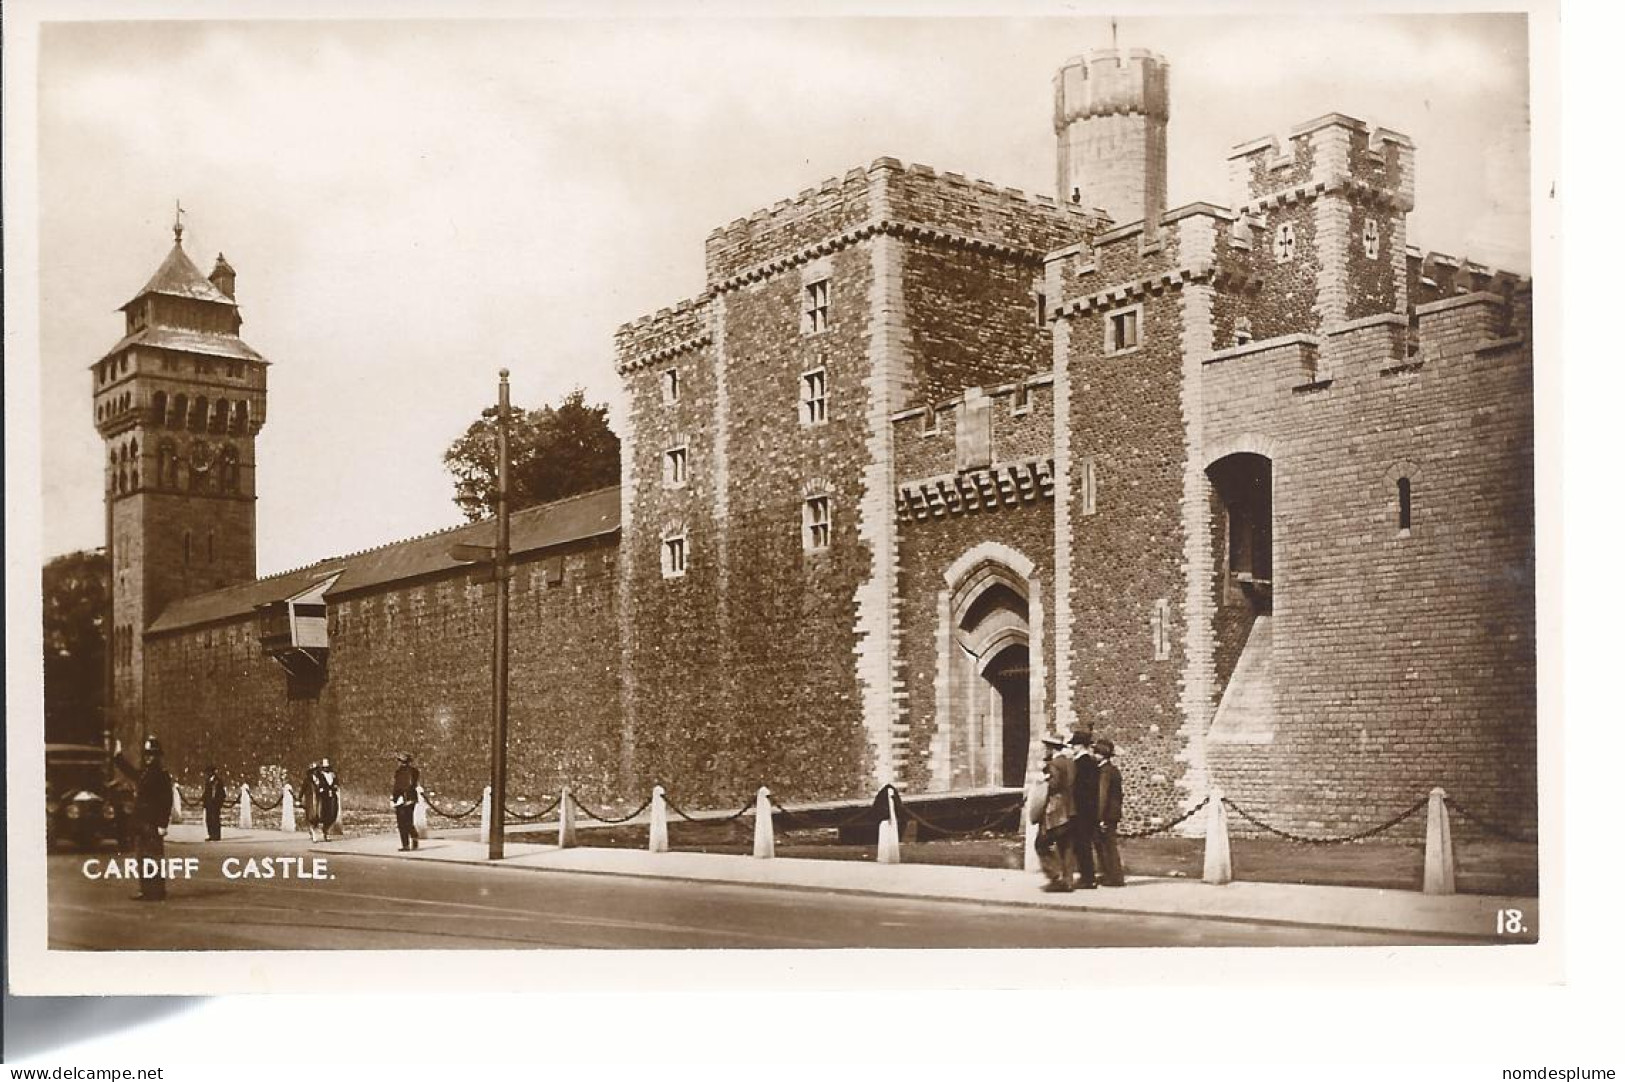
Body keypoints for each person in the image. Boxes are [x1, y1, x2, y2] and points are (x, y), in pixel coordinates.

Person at [131, 736, 174, 901]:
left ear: (158, 756)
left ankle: (157, 890)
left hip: (153, 823)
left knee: (154, 857)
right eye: (147, 754)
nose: (149, 757)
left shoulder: (162, 775)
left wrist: (163, 823)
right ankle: (146, 889)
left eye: (152, 754)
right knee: (142, 857)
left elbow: (166, 801)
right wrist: (117, 757)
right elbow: (132, 773)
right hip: (142, 822)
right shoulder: (145, 773)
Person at [1034, 736, 1077, 892]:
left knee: (1041, 844)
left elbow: (1053, 786)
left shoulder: (1053, 765)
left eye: (1046, 748)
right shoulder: (1070, 763)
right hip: (1071, 809)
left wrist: (1043, 779)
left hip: (1056, 811)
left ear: (1050, 749)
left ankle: (1055, 876)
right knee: (1066, 846)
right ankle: (1068, 880)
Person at [1067, 730, 1099, 889]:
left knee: (1082, 844)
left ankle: (1088, 878)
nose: (1073, 747)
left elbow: (1081, 789)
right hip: (1087, 810)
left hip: (1081, 810)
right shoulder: (1091, 762)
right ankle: (1088, 876)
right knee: (1083, 844)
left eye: (1075, 744)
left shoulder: (1082, 763)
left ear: (1081, 746)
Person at [1093, 737, 1125, 887]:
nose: (1094, 755)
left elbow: (1102, 795)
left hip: (1106, 815)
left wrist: (1099, 817)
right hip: (1112, 813)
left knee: (1108, 846)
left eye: (1096, 753)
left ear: (1101, 755)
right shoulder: (1113, 770)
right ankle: (1109, 875)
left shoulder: (1104, 772)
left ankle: (1114, 877)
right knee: (1106, 844)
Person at [304, 758, 341, 842]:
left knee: (332, 814)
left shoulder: (333, 775)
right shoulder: (320, 776)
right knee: (319, 815)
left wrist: (335, 787)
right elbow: (318, 785)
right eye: (324, 767)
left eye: (327, 767)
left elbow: (336, 783)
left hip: (332, 797)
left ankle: (326, 831)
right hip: (323, 798)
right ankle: (319, 832)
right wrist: (321, 789)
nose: (325, 769)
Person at [391, 753, 420, 851]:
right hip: (412, 799)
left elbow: (398, 787)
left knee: (402, 823)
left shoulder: (399, 772)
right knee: (409, 821)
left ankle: (406, 844)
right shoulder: (414, 771)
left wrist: (394, 798)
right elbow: (413, 784)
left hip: (402, 800)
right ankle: (414, 837)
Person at [202, 764, 227, 842]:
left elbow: (222, 793)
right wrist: (205, 802)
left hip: (215, 804)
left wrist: (219, 802)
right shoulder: (208, 781)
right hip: (209, 803)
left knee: (215, 819)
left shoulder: (218, 781)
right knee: (209, 819)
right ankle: (211, 834)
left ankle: (216, 835)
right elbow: (206, 793)